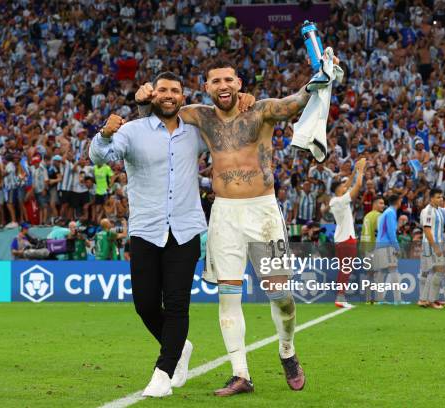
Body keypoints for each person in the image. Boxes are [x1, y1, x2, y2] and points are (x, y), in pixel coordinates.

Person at [134, 54, 338, 396]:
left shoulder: (261, 110)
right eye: (216, 81)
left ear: (239, 83)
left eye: (229, 80)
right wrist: (144, 99)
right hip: (224, 213)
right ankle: (240, 374)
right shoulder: (198, 115)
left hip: (263, 213)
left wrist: (316, 80)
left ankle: (287, 350)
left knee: (282, 297)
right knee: (227, 297)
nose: (223, 86)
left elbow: (293, 104)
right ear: (206, 87)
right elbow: (160, 113)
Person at [89, 72, 254, 398]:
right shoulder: (133, 131)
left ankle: (163, 373)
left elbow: (230, 129)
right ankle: (179, 346)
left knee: (178, 305)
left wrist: (241, 103)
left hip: (186, 229)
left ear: (183, 97)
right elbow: (100, 157)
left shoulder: (195, 132)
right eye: (162, 89)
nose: (169, 95)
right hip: (146, 230)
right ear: (153, 96)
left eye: (175, 91)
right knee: (145, 304)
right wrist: (105, 133)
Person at [329, 158, 366, 308]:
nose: (346, 187)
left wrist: (354, 171)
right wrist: (361, 171)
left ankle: (340, 297)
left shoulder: (335, 200)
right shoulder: (340, 201)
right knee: (346, 269)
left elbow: (349, 184)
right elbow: (358, 185)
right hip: (346, 239)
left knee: (344, 269)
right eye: (343, 186)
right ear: (338, 189)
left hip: (342, 239)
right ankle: (340, 298)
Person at [418, 189, 445, 309]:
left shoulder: (439, 210)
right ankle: (431, 300)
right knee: (438, 270)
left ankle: (425, 299)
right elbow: (427, 230)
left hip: (437, 244)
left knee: (434, 271)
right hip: (430, 245)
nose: (440, 199)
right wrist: (435, 247)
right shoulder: (428, 211)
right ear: (431, 199)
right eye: (437, 197)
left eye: (441, 197)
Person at [374, 195, 407, 305]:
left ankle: (379, 299)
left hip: (380, 245)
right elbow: (391, 233)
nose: (401, 201)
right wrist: (397, 247)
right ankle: (397, 300)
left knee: (382, 272)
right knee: (394, 270)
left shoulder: (386, 212)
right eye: (401, 199)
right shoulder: (391, 212)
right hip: (387, 245)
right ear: (397, 201)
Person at [360, 197, 385, 304]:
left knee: (369, 274)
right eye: (380, 203)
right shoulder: (378, 215)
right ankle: (379, 299)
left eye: (383, 203)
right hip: (375, 248)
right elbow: (379, 232)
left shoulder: (367, 216)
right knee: (379, 273)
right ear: (374, 204)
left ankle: (368, 299)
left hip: (366, 248)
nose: (383, 205)